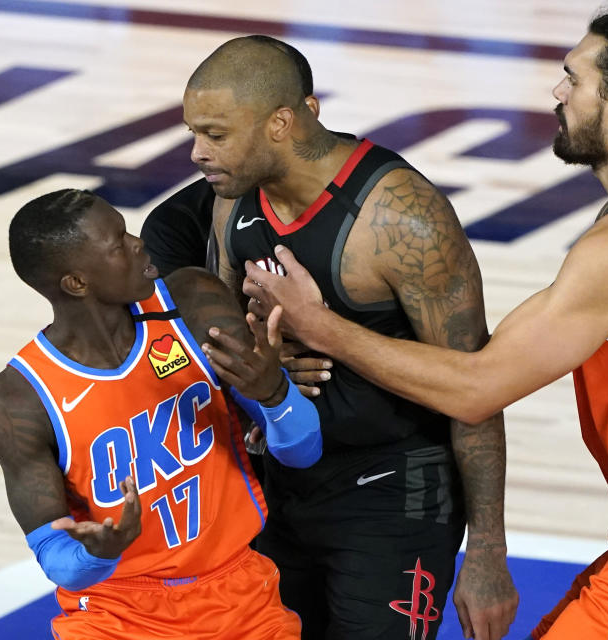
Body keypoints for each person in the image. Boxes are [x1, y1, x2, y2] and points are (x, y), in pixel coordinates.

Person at [233, 12, 608, 640]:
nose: (558, 93)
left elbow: (479, 387)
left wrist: (319, 326)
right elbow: (497, 359)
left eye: (573, 78)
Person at [184, 35, 518, 640]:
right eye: (194, 133)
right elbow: (217, 330)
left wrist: (488, 552)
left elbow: (476, 388)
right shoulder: (230, 203)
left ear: (280, 122)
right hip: (278, 482)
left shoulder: (401, 218)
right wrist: (260, 356)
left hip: (393, 495)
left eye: (214, 134)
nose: (197, 153)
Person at [0, 188, 323, 639]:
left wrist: (275, 395)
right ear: (76, 283)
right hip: (116, 612)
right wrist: (99, 553)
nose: (138, 242)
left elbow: (303, 452)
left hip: (240, 593)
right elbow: (55, 554)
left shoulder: (193, 305)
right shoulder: (18, 399)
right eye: (118, 241)